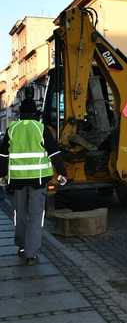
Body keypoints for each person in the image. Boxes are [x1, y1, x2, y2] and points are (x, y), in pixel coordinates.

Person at [0, 99, 67, 265]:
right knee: (36, 216)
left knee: (20, 214)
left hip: (17, 181)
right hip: (38, 181)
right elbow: (54, 153)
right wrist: (62, 173)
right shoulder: (41, 128)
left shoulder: (12, 129)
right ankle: (31, 254)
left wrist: (2, 175)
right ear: (35, 114)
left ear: (20, 114)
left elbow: (3, 156)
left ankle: (22, 246)